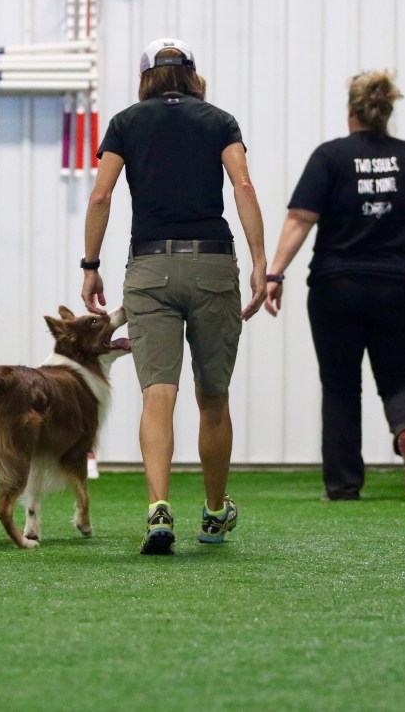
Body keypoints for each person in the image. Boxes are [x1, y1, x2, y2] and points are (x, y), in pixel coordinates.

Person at [81, 38, 267, 555]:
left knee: (157, 395)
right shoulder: (220, 121)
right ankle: (214, 513)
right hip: (213, 265)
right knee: (213, 397)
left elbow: (101, 194)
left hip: (150, 267)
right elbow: (244, 188)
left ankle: (158, 509)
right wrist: (260, 261)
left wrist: (91, 266)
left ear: (147, 77)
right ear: (191, 75)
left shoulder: (125, 123)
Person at [265, 70, 405, 501]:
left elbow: (300, 218)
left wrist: (275, 273)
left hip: (336, 287)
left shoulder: (330, 156)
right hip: (399, 287)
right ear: (386, 112)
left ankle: (343, 483)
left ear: (352, 111)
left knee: (340, 386)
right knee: (400, 377)